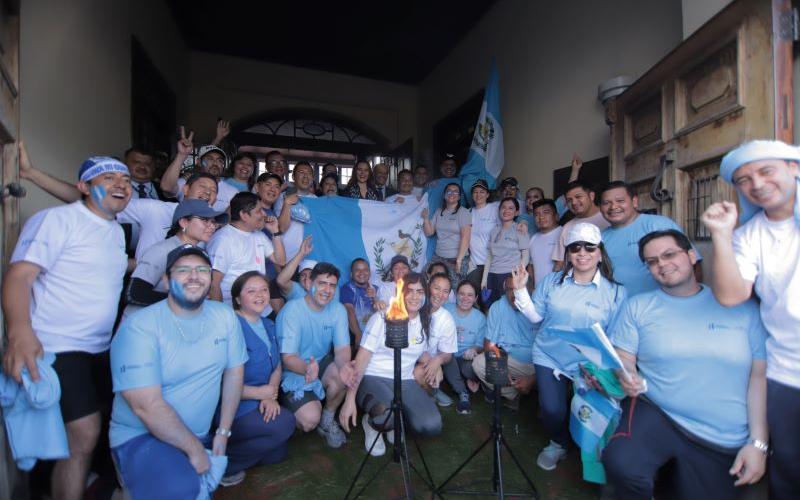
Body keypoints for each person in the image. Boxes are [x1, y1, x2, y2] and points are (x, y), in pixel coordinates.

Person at [2, 156, 131, 500]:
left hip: (100, 348)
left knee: (99, 429)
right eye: (108, 178)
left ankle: (77, 484)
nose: (120, 184)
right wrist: (19, 333)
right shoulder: (56, 220)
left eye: (125, 179)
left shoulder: (116, 230)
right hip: (59, 345)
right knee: (84, 434)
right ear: (84, 187)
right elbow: (19, 275)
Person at [603, 229, 768, 499]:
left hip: (721, 435)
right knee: (622, 463)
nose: (662, 264)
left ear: (692, 256)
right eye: (652, 261)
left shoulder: (743, 310)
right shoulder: (639, 306)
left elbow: (759, 378)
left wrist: (758, 443)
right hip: (660, 412)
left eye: (669, 255)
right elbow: (624, 356)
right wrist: (627, 373)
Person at [701, 140, 800, 499]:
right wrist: (722, 235)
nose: (756, 184)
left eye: (766, 171)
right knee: (790, 475)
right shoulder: (748, 236)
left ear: (794, 167)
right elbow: (730, 295)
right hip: (788, 375)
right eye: (744, 179)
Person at [108, 246, 247, 497]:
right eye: (183, 270)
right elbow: (145, 406)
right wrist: (194, 450)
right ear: (166, 280)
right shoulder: (139, 327)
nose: (194, 276)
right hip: (142, 437)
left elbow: (234, 374)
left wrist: (223, 432)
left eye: (202, 269)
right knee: (181, 488)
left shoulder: (225, 316)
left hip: (200, 434)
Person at [511, 222, 626, 471]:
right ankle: (558, 443)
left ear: (600, 252)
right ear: (568, 253)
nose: (582, 253)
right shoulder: (552, 281)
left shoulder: (616, 292)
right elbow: (535, 317)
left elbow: (615, 338)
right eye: (575, 248)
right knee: (552, 410)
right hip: (549, 354)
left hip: (590, 362)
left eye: (589, 248)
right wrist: (520, 291)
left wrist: (602, 369)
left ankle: (591, 454)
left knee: (591, 415)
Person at [338, 273, 448, 456]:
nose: (415, 296)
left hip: (404, 380)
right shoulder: (382, 317)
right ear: (401, 293)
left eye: (419, 292)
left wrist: (436, 362)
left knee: (431, 426)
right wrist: (349, 399)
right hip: (373, 377)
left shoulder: (424, 321)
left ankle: (393, 421)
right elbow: (362, 359)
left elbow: (421, 352)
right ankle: (373, 424)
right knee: (386, 418)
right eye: (410, 291)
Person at [223, 271, 296, 486]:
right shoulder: (229, 326)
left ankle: (235, 451)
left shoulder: (268, 324)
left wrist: (270, 394)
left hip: (264, 400)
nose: (260, 295)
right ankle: (219, 464)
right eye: (251, 291)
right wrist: (258, 393)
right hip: (236, 405)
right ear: (237, 298)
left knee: (277, 453)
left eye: (264, 290)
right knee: (286, 423)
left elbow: (277, 366)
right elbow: (217, 381)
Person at [277, 263, 351, 447]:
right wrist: (307, 369)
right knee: (309, 420)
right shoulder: (292, 310)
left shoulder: (338, 310)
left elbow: (342, 350)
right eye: (322, 283)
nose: (327, 290)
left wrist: (344, 368)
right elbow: (288, 358)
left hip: (320, 365)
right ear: (309, 283)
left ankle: (327, 418)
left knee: (344, 372)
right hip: (294, 370)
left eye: (332, 285)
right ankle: (295, 410)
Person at [123, 199, 228, 320]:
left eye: (214, 222)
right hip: (140, 326)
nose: (212, 226)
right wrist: (186, 299)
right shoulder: (163, 249)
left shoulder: (198, 253)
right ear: (184, 222)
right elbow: (134, 293)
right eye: (204, 220)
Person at [600, 181, 701, 296]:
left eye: (620, 201)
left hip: (660, 307)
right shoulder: (601, 238)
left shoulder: (658, 225)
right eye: (606, 203)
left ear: (634, 202)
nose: (613, 207)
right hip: (618, 309)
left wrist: (688, 300)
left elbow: (693, 265)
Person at [207, 192, 286, 307]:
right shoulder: (223, 240)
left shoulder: (258, 235)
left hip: (258, 306)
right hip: (233, 309)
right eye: (259, 211)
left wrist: (275, 232)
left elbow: (280, 261)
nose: (264, 214)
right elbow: (214, 284)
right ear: (244, 215)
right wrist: (222, 316)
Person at [472, 276, 537, 411]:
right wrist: (500, 367)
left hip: (539, 363)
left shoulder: (539, 306)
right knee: (478, 363)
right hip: (511, 361)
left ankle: (531, 389)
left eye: (519, 289)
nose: (513, 294)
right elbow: (490, 344)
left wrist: (534, 377)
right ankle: (513, 394)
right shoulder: (498, 307)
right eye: (509, 290)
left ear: (530, 289)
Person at [160, 127, 238, 212]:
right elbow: (166, 188)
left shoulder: (232, 192)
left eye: (220, 160)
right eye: (210, 159)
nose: (215, 163)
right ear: (199, 162)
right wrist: (181, 155)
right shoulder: (187, 182)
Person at [443, 281, 486, 414]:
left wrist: (473, 350)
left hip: (465, 357)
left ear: (476, 298)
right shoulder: (446, 309)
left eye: (470, 295)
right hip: (447, 353)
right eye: (461, 294)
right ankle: (463, 393)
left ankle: (468, 379)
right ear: (456, 295)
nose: (465, 298)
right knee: (448, 358)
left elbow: (479, 344)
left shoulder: (480, 317)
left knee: (469, 369)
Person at [418, 273, 459, 408]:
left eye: (445, 291)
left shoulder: (446, 319)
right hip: (408, 359)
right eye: (437, 288)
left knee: (421, 373)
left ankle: (431, 393)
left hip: (426, 365)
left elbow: (447, 353)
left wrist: (438, 361)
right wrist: (432, 362)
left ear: (448, 295)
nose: (440, 294)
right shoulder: (414, 306)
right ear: (428, 286)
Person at [552, 180, 610, 271]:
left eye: (578, 197)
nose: (574, 202)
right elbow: (560, 263)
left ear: (591, 196)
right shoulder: (567, 228)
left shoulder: (609, 218)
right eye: (569, 200)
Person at [481, 197, 529, 306]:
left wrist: (517, 276)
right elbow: (489, 257)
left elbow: (525, 256)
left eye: (511, 208)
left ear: (516, 212)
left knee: (509, 307)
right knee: (491, 307)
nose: (506, 210)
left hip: (510, 275)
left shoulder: (520, 229)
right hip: (492, 275)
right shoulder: (494, 231)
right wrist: (484, 280)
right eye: (503, 207)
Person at [422, 182, 472, 282]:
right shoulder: (439, 211)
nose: (452, 194)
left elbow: (466, 237)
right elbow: (429, 233)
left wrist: (459, 260)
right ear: (444, 195)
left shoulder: (464, 212)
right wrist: (426, 219)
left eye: (455, 192)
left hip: (456, 259)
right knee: (426, 277)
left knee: (454, 286)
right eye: (449, 191)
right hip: (439, 257)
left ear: (459, 197)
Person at [277, 161, 318, 261]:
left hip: (310, 256)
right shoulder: (283, 197)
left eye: (308, 173)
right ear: (293, 177)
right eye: (301, 172)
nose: (305, 176)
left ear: (312, 178)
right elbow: (281, 228)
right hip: (287, 255)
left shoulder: (317, 201)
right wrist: (287, 204)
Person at [467, 178, 500, 294]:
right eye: (475, 192)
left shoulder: (495, 208)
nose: (478, 194)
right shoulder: (468, 212)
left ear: (487, 194)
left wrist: (523, 222)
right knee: (475, 298)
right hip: (475, 264)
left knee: (490, 298)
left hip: (493, 264)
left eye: (482, 192)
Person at [340, 258, 378, 349]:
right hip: (357, 335)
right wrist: (358, 334)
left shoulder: (376, 289)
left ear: (369, 273)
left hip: (376, 335)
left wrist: (375, 298)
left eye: (365, 270)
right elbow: (349, 311)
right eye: (357, 270)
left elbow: (382, 313)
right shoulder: (347, 289)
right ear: (351, 274)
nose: (362, 273)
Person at [527, 199, 562, 286]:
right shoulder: (533, 239)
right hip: (537, 293)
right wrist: (531, 288)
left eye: (546, 212)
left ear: (556, 216)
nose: (541, 217)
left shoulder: (564, 234)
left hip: (559, 291)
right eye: (536, 214)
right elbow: (531, 266)